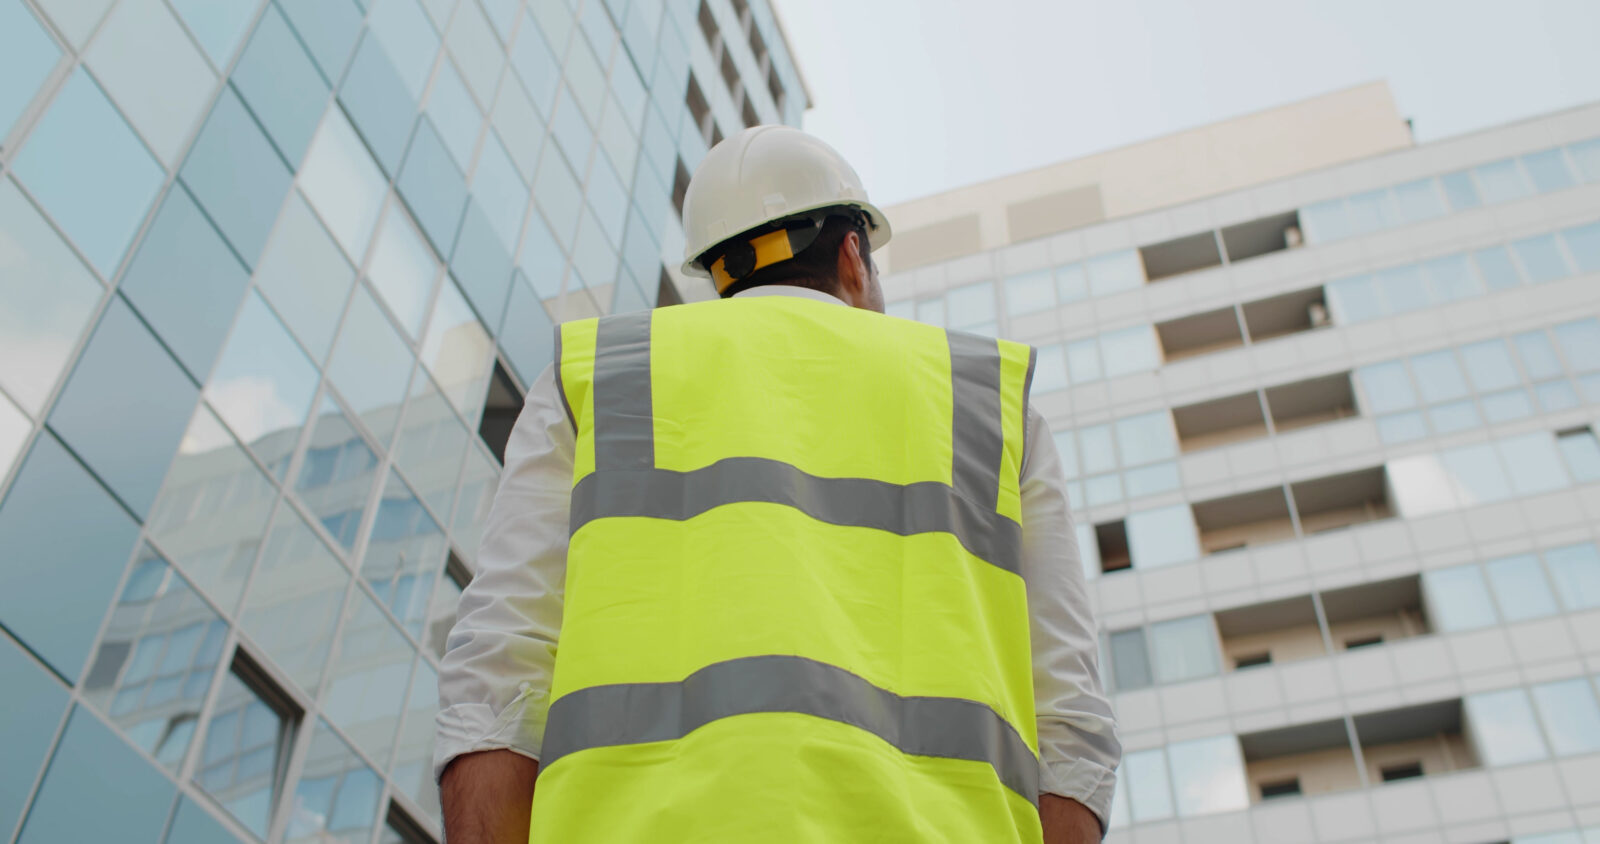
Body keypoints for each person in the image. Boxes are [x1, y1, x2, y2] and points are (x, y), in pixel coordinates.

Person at [435, 125, 1120, 843]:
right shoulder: (987, 403)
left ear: (721, 273)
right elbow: (1070, 731)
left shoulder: (601, 377)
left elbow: (496, 683)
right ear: (853, 256)